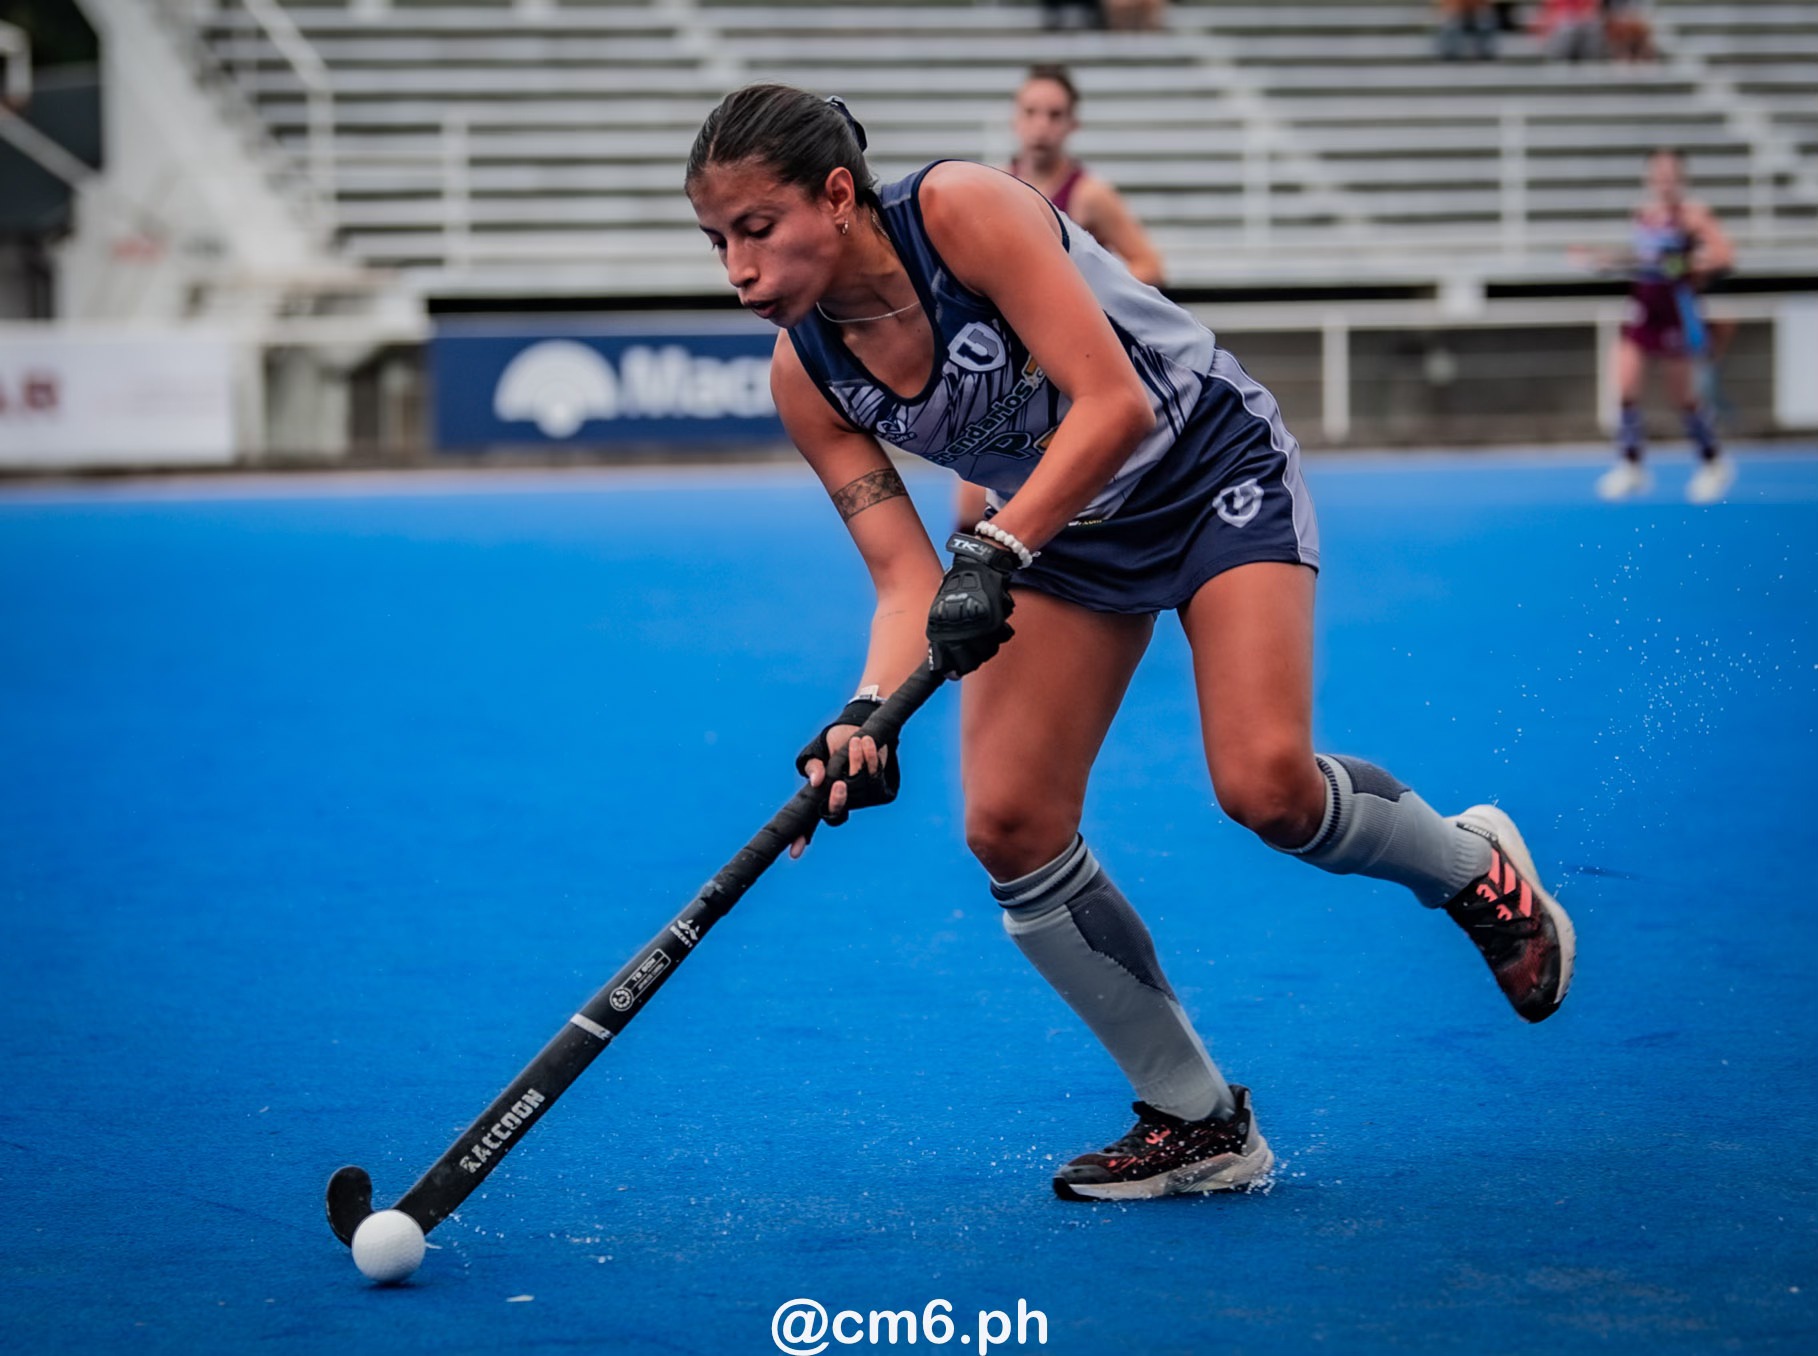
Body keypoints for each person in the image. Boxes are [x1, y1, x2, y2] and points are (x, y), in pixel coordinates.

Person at [685, 85, 1576, 1202]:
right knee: (1008, 824)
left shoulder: (960, 211)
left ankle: (1471, 871)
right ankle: (1197, 1121)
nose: (738, 270)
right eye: (718, 241)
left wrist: (999, 548)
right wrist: (864, 712)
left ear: (835, 194)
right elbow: (905, 578)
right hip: (1057, 537)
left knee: (1267, 791)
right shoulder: (805, 376)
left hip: (1207, 476)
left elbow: (1115, 405)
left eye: (756, 230)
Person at [1575, 147, 1737, 503]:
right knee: (1626, 385)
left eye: (1670, 173)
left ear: (1681, 177)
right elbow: (1645, 260)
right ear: (1649, 177)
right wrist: (1607, 260)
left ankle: (1713, 462)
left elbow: (1724, 255)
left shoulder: (1694, 215)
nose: (1664, 180)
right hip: (1642, 308)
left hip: (1675, 311)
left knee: (1683, 397)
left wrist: (1691, 266)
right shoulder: (1643, 215)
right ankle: (1631, 465)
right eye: (1658, 173)